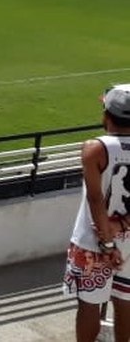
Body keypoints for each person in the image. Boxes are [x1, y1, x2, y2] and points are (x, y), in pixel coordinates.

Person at [64, 84, 130, 341]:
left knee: (89, 304)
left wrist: (108, 241)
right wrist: (121, 226)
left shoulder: (94, 148)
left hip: (92, 243)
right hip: (128, 239)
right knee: (125, 301)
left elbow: (95, 199)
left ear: (107, 116)